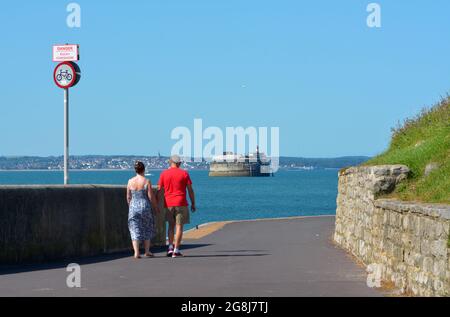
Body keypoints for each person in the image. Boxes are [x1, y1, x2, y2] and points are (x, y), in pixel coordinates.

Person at [158, 155, 196, 258]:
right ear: (179, 163)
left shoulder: (164, 174)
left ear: (170, 162)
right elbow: (190, 190)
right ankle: (176, 250)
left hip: (168, 203)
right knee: (179, 226)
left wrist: (158, 204)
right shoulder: (184, 173)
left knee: (171, 226)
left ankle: (170, 248)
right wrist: (193, 203)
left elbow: (160, 190)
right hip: (181, 203)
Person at [127, 161, 159, 259]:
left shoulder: (130, 181)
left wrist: (131, 206)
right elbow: (151, 196)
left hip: (133, 206)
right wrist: (155, 207)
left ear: (135, 170)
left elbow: (128, 197)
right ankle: (147, 251)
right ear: (143, 170)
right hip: (145, 206)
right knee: (147, 227)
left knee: (134, 228)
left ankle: (136, 252)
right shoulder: (146, 181)